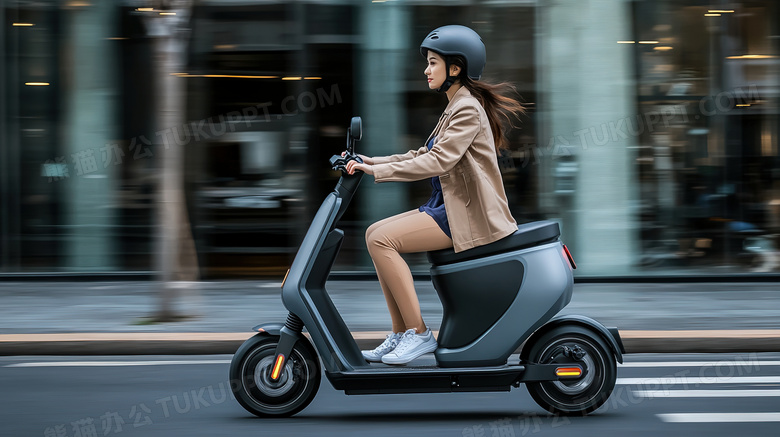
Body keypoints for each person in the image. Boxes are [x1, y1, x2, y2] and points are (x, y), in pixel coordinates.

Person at [345, 25, 524, 365]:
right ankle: (400, 332)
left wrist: (378, 172)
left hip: (467, 215)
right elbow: (420, 153)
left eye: (432, 63)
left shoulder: (467, 108)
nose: (426, 70)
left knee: (383, 240)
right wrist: (372, 161)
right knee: (373, 234)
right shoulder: (454, 107)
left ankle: (417, 333)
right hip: (446, 208)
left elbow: (439, 160)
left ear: (455, 68)